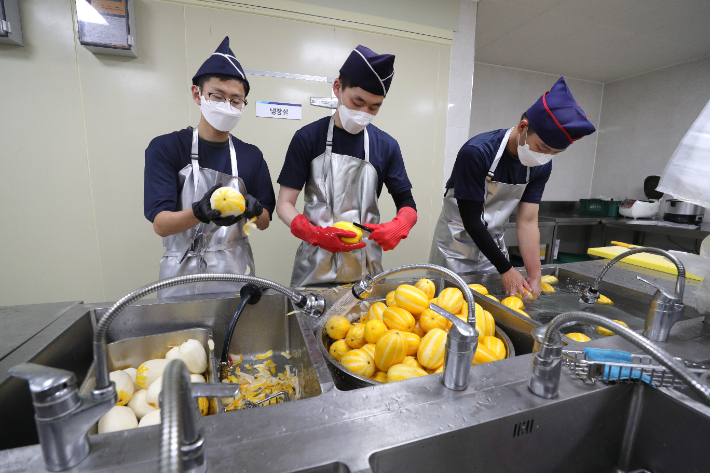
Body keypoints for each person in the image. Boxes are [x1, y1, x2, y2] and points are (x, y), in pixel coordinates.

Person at [429, 77, 596, 299]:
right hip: (455, 246)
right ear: (523, 127)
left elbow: (527, 222)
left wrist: (534, 275)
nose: (544, 156)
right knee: (449, 306)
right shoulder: (477, 152)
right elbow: (471, 220)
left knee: (491, 308)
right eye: (543, 147)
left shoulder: (540, 165)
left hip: (494, 250)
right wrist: (506, 269)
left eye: (554, 153)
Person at [144, 37, 275, 298]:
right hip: (179, 277)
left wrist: (254, 209)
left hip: (236, 273)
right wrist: (201, 212)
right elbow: (161, 224)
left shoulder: (251, 155)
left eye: (236, 101)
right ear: (198, 94)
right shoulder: (167, 148)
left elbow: (264, 222)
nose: (227, 106)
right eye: (218, 96)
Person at [276, 45, 418, 287]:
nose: (364, 112)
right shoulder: (308, 137)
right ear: (338, 88)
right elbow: (284, 204)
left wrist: (401, 224)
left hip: (366, 266)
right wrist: (312, 233)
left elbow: (407, 203)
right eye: (357, 101)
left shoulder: (387, 145)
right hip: (314, 263)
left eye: (374, 107)